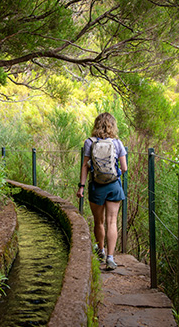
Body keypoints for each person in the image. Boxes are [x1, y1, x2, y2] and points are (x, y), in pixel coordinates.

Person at [76, 112, 127, 270]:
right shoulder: (117, 143)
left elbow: (85, 166)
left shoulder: (89, 142)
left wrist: (81, 186)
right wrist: (114, 175)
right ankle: (111, 258)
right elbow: (124, 168)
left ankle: (101, 250)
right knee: (112, 221)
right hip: (114, 186)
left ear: (96, 124)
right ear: (113, 125)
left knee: (99, 222)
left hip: (96, 186)